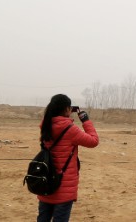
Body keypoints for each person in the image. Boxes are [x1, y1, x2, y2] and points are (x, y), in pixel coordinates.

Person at [37, 94, 99, 222]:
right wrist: (85, 121)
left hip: (45, 183)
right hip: (63, 187)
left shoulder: (45, 126)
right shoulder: (70, 129)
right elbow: (94, 141)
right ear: (66, 109)